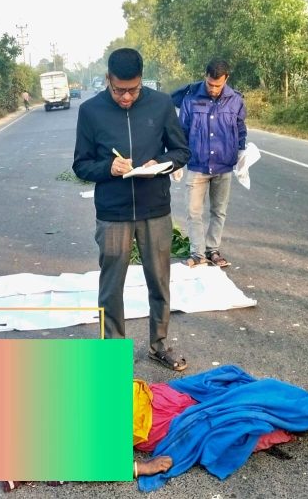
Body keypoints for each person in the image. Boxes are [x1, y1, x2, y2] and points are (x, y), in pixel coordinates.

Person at [0, 364, 308, 493]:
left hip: (160, 395)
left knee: (230, 382)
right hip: (162, 425)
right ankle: (305, 416)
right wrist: (141, 468)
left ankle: (303, 409)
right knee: (235, 422)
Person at [72, 48, 191, 372]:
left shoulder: (161, 104)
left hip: (155, 209)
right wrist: (108, 167)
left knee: (160, 280)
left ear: (142, 81)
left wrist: (161, 162)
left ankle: (159, 344)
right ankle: (113, 354)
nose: (126, 97)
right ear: (108, 80)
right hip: (113, 214)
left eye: (133, 90)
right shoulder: (91, 111)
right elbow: (81, 164)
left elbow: (181, 151)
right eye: (119, 90)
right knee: (111, 286)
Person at [177, 59, 247, 268]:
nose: (214, 89)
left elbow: (240, 129)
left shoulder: (236, 100)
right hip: (197, 165)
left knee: (219, 211)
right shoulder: (190, 98)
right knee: (193, 212)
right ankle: (198, 254)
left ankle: (213, 250)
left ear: (226, 79)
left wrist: (242, 153)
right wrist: (177, 160)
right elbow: (181, 131)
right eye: (210, 84)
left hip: (223, 166)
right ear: (205, 76)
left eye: (218, 85)